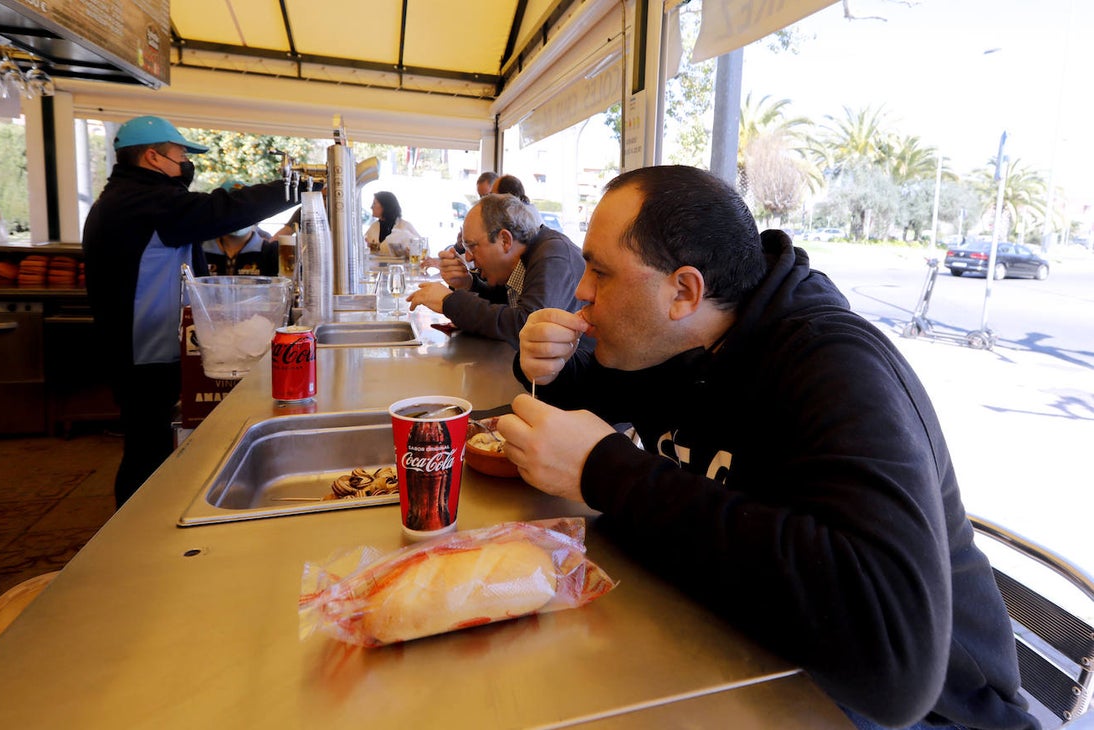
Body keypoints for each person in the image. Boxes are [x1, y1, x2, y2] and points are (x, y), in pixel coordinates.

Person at [497, 165, 1037, 730]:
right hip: (746, 652)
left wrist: (607, 471)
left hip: (925, 711)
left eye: (601, 271)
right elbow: (582, 400)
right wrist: (547, 363)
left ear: (684, 291)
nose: (581, 289)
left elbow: (895, 667)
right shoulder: (670, 345)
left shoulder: (836, 366)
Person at [82, 115, 296, 509]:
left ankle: (145, 526)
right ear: (152, 156)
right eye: (180, 154)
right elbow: (224, 209)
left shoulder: (124, 198)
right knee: (148, 453)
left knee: (151, 445)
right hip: (145, 352)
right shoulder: (145, 202)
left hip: (137, 346)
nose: (185, 163)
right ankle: (135, 535)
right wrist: (293, 186)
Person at [406, 193, 585, 349]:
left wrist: (449, 302)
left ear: (505, 240)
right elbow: (507, 304)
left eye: (472, 247)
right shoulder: (531, 254)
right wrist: (469, 285)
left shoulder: (554, 257)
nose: (468, 258)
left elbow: (527, 327)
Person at [201, 180, 279, 275]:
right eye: (229, 208)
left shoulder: (270, 253)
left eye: (244, 208)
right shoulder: (198, 250)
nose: (237, 215)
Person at [363, 191, 419, 255]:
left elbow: (421, 250)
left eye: (374, 203)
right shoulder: (374, 227)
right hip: (376, 264)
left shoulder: (405, 226)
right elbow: (366, 247)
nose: (371, 207)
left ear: (385, 206)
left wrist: (408, 251)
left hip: (400, 265)